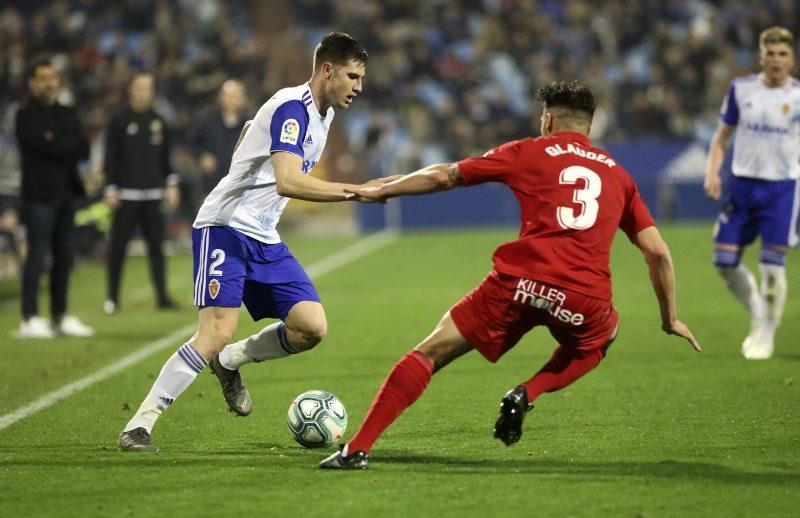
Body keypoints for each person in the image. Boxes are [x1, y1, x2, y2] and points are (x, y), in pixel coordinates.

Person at [319, 80, 701, 470]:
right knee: (602, 337)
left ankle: (357, 450)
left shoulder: (528, 151)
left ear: (548, 119)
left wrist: (387, 190)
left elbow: (445, 175)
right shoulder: (619, 176)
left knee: (429, 352)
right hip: (582, 298)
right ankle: (527, 391)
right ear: (590, 127)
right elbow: (658, 253)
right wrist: (669, 318)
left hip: (518, 284)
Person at [118, 32, 389, 452]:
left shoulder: (324, 114)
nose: (359, 86)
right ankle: (140, 424)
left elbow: (251, 133)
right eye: (353, 76)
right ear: (327, 70)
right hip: (224, 227)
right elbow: (287, 181)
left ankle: (230, 363)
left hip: (263, 235)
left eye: (362, 78)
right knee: (215, 331)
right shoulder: (291, 110)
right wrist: (356, 190)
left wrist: (247, 152)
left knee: (311, 327)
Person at [703, 26, 800, 360]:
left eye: (782, 54)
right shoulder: (741, 90)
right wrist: (712, 170)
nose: (776, 60)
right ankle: (758, 312)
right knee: (724, 261)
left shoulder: (798, 96)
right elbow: (721, 137)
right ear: (761, 56)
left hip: (783, 190)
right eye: (770, 53)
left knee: (772, 268)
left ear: (792, 59)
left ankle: (766, 334)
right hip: (743, 189)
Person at [15, 58, 94, 339]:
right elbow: (41, 146)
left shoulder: (67, 112)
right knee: (37, 255)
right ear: (33, 82)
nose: (50, 83)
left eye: (53, 78)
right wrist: (63, 145)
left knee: (64, 257)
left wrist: (55, 143)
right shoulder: (24, 115)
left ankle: (59, 316)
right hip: (38, 195)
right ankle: (29, 317)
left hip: (67, 194)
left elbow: (82, 148)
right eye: (43, 78)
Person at [103, 72, 179, 315]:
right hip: (125, 195)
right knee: (118, 248)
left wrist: (171, 184)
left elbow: (166, 157)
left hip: (154, 194)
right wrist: (110, 188)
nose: (143, 92)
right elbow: (110, 157)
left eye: (147, 88)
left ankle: (162, 296)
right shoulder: (118, 120)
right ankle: (112, 298)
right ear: (130, 89)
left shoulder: (158, 120)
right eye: (139, 87)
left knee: (157, 247)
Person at [187, 79, 248, 210]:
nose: (233, 100)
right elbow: (190, 143)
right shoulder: (206, 119)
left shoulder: (250, 123)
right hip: (210, 184)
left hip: (239, 186)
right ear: (221, 98)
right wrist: (201, 156)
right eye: (229, 96)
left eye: (237, 96)